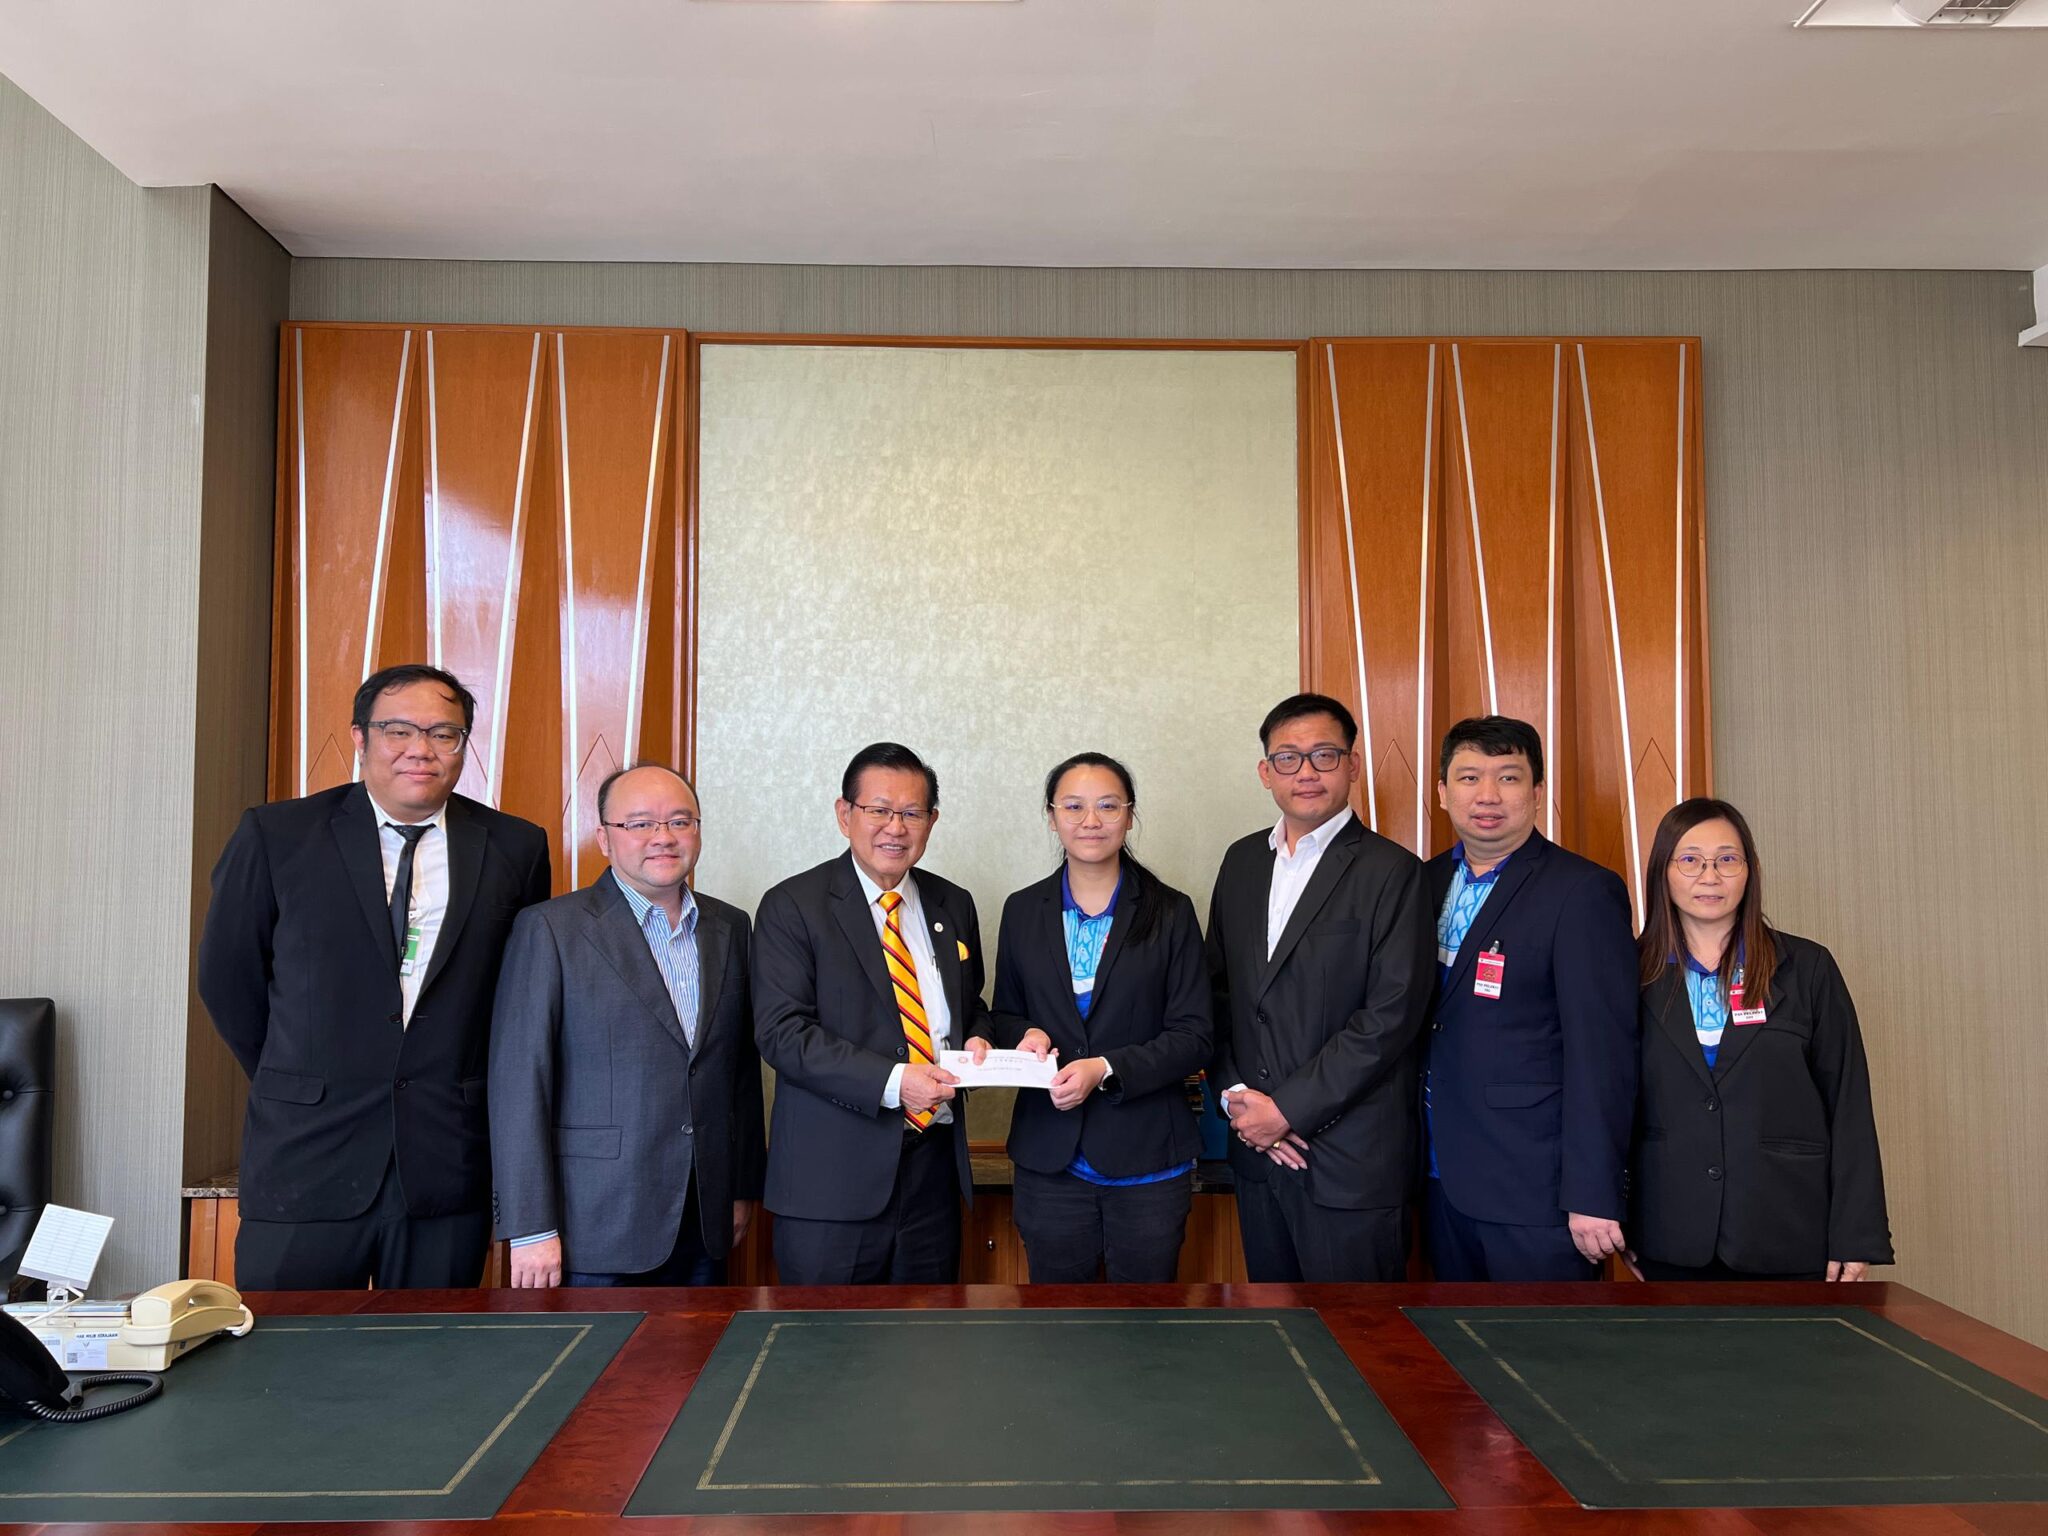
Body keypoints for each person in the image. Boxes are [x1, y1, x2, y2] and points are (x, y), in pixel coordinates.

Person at [197, 664, 551, 1289]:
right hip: (306, 1155)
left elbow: (519, 999)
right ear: (360, 738)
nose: (421, 749)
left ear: (463, 745)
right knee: (283, 1347)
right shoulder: (277, 835)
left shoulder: (515, 847)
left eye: (443, 733)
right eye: (399, 730)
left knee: (431, 1347)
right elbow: (229, 980)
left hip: (446, 1159)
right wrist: (301, 1073)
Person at [488, 764, 764, 1287]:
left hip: (705, 1217)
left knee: (702, 1344)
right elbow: (519, 1083)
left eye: (680, 821)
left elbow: (739, 1071)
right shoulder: (551, 928)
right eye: (640, 824)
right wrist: (529, 1227)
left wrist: (740, 1187)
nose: (663, 837)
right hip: (593, 1221)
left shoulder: (730, 926)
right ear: (604, 838)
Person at [1205, 693, 1435, 1283]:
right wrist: (1239, 1101)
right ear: (1266, 772)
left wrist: (1286, 1111)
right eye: (1288, 758)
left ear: (1352, 765)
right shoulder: (1241, 863)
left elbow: (1390, 1018)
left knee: (1358, 1334)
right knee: (1276, 1333)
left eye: (1324, 755)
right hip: (1256, 1154)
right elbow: (1218, 997)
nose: (1305, 771)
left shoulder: (1394, 871)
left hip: (1349, 1164)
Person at [752, 743, 993, 1285]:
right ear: (845, 815)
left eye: (911, 813)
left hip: (933, 1178)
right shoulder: (793, 906)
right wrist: (896, 1082)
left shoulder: (953, 903)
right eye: (879, 810)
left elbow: (970, 1006)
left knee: (926, 1337)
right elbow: (783, 1033)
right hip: (831, 1185)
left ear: (932, 821)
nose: (896, 828)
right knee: (826, 1338)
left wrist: (978, 1039)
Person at [1627, 797, 1891, 1281]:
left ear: (1749, 871)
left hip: (1787, 1231)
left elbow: (1849, 1103)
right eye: (1690, 860)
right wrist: (1618, 1218)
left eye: (1727, 859)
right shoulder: (1628, 972)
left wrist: (1855, 1235)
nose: (1710, 876)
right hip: (1666, 1232)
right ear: (1662, 872)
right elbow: (1604, 1105)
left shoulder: (1807, 968)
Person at [1421, 715, 1637, 1282]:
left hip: (1535, 1190)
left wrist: (1593, 1192)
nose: (1487, 795)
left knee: (1543, 1340)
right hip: (1435, 1179)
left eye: (1509, 777)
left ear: (1538, 792)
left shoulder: (1582, 891)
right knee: (1453, 1337)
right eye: (1469, 777)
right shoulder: (1420, 884)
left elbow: (1603, 1054)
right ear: (1442, 792)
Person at [988, 753, 1212, 1283]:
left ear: (1129, 815)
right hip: (1049, 1159)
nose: (1091, 820)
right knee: (1058, 1319)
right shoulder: (1022, 910)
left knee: (1146, 1319)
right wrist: (1026, 1033)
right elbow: (1003, 1014)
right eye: (1073, 806)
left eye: (1108, 806)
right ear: (1051, 816)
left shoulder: (1171, 911)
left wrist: (1106, 1068)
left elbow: (1195, 1035)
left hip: (1149, 1160)